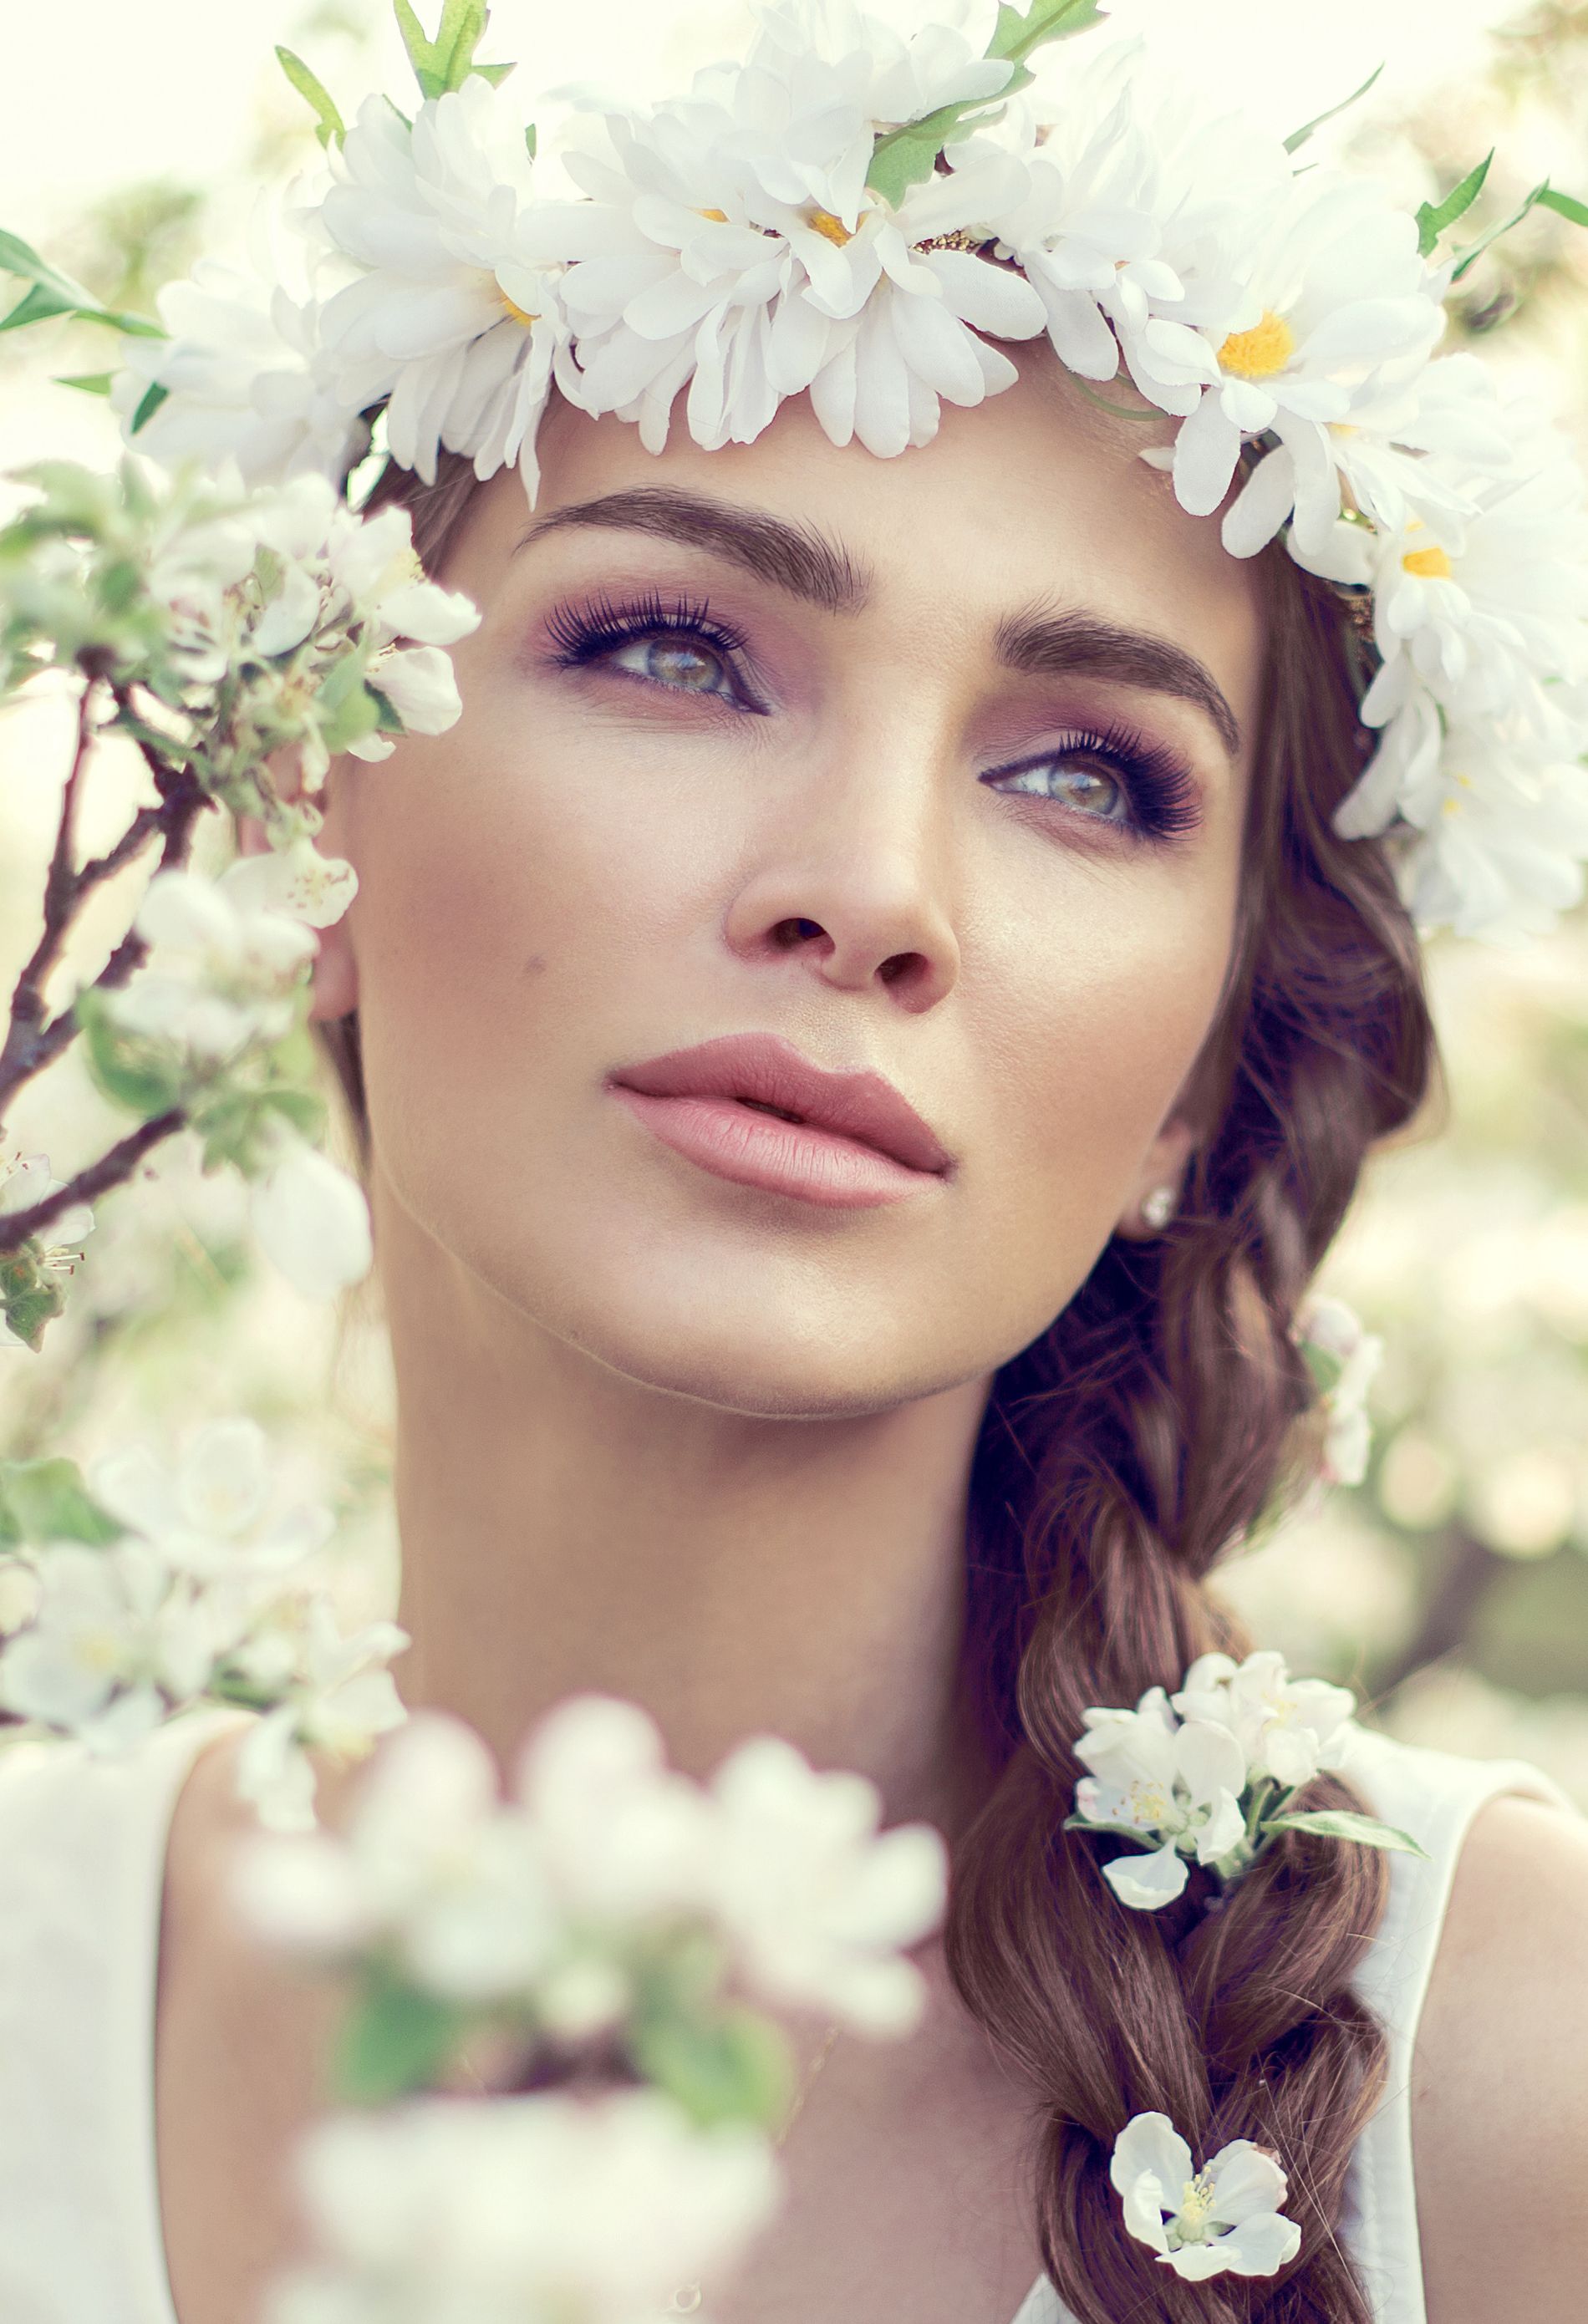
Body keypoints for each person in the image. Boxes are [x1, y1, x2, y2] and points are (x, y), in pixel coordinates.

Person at [2, 8, 1588, 2324]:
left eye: (1086, 776)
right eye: (671, 649)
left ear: (1192, 1085)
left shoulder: (1509, 2092)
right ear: (294, 814)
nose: (867, 888)